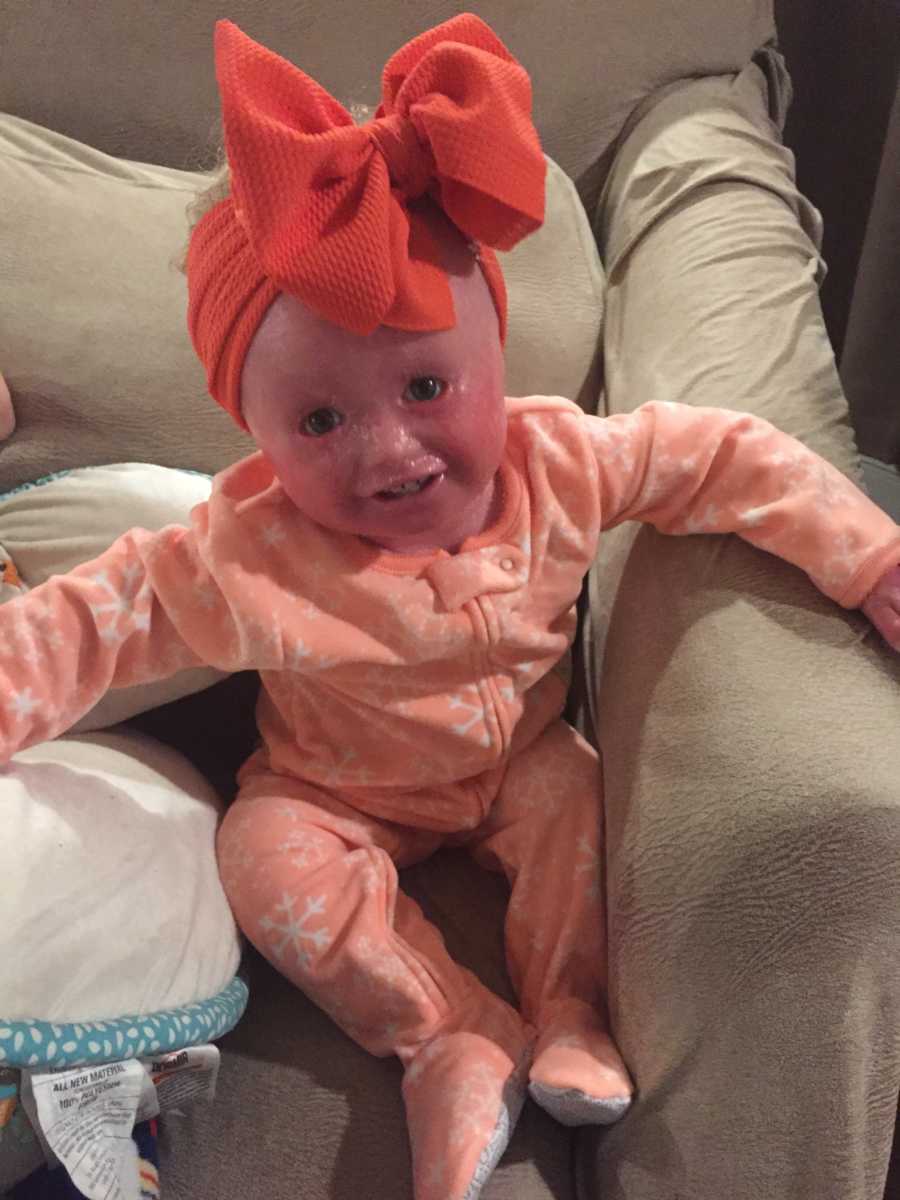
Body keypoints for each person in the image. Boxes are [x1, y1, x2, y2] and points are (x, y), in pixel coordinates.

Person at [2, 15, 900, 1200]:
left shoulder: (562, 463)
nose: (388, 450)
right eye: (319, 423)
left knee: (581, 811)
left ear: (496, 353)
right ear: (258, 438)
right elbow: (88, 622)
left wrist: (869, 561)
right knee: (260, 857)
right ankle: (452, 1035)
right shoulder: (248, 549)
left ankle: (570, 1012)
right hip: (333, 794)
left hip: (524, 759)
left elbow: (725, 456)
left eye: (429, 386)